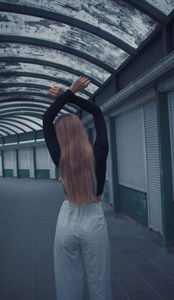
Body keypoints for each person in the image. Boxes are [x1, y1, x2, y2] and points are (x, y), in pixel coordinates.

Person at [42, 76, 112, 300]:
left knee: (67, 279)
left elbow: (46, 118)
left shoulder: (59, 157)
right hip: (94, 218)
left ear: (60, 137)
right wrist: (69, 92)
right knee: (99, 279)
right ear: (80, 131)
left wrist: (66, 94)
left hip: (67, 217)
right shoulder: (99, 151)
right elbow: (97, 112)